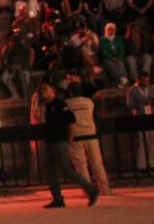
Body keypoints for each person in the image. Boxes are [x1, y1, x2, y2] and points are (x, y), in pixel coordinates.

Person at [40, 81, 98, 209]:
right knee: (50, 171)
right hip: (51, 141)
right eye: (42, 90)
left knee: (66, 169)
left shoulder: (59, 104)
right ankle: (57, 198)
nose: (43, 92)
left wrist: (67, 135)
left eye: (45, 89)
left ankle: (90, 189)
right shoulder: (48, 105)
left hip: (59, 140)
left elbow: (70, 119)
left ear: (52, 90)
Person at [66, 84, 111, 196]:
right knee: (97, 163)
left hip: (76, 136)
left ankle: (88, 190)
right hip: (91, 134)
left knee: (81, 166)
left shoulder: (67, 104)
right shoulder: (89, 102)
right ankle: (104, 188)